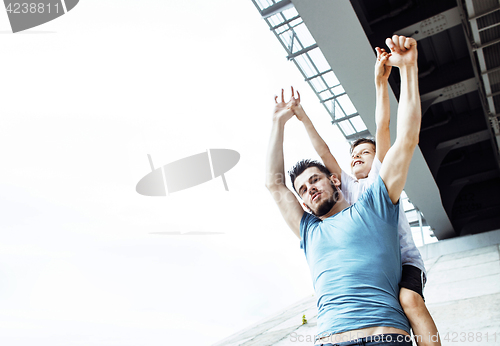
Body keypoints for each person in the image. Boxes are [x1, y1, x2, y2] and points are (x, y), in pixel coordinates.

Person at [265, 35, 429, 346]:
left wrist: (408, 70)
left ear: (335, 180)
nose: (309, 189)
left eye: (314, 180)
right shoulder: (308, 231)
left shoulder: (373, 204)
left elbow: (405, 138)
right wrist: (278, 124)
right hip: (330, 340)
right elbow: (273, 184)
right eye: (302, 189)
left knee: (412, 301)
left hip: (384, 337)